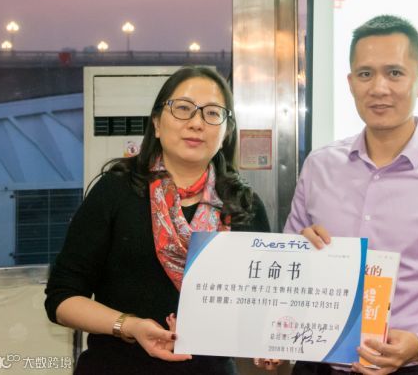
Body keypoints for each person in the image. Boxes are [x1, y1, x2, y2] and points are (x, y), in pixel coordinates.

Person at [284, 15, 418, 375]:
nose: (379, 88)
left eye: (395, 73)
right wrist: (299, 252)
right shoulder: (319, 166)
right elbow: (286, 275)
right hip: (315, 365)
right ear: (351, 83)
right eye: (365, 74)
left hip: (409, 367)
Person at [45, 66, 271, 374]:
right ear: (157, 124)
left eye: (212, 113)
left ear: (226, 132)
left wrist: (269, 339)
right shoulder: (115, 191)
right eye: (183, 109)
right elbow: (62, 297)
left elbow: (261, 305)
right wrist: (129, 326)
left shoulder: (244, 205)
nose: (196, 123)